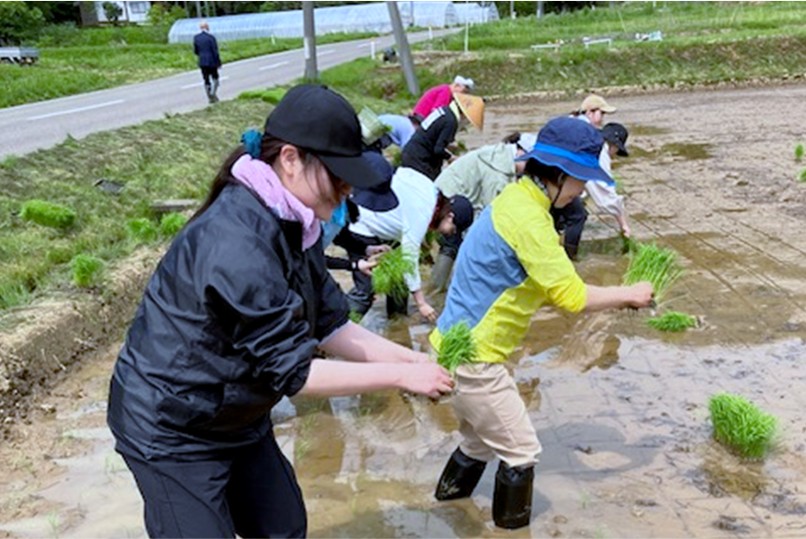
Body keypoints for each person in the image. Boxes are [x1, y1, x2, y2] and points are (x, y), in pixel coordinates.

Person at [106, 84, 454, 539]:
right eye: (337, 173)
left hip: (237, 412)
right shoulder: (236, 242)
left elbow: (330, 326)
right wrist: (401, 377)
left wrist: (410, 358)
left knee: (282, 527)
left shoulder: (295, 220)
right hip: (172, 425)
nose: (346, 188)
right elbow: (296, 374)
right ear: (289, 158)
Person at [429, 116, 653, 530]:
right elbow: (572, 296)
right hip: (478, 358)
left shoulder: (515, 200)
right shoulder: (531, 223)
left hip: (454, 345)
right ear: (560, 175)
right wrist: (629, 294)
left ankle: (443, 512)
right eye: (581, 181)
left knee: (478, 442)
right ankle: (511, 532)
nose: (582, 190)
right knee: (521, 450)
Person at [339, 164, 474, 321]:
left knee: (399, 278)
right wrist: (421, 303)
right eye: (452, 230)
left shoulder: (431, 192)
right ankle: (337, 329)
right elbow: (409, 257)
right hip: (361, 225)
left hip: (374, 213)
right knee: (367, 289)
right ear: (450, 216)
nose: (449, 233)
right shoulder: (424, 212)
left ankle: (397, 326)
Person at [430, 132, 536, 291]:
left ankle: (440, 289)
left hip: (454, 196)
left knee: (459, 243)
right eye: (530, 163)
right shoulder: (498, 171)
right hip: (449, 198)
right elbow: (492, 214)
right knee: (454, 243)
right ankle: (439, 290)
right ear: (521, 153)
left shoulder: (502, 157)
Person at [554, 94, 619, 259]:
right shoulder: (585, 133)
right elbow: (598, 181)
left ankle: (556, 251)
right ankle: (570, 257)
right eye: (601, 114)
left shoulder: (571, 122)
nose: (603, 119)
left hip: (551, 176)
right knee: (578, 216)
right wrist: (621, 217)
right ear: (590, 112)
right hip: (555, 179)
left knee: (557, 216)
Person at [400, 92, 485, 181]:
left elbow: (433, 136)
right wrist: (451, 157)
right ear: (463, 115)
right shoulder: (451, 122)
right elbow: (438, 149)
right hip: (420, 159)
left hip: (411, 152)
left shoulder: (445, 111)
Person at [193, 21, 222, 104]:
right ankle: (213, 94)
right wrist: (218, 62)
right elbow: (215, 51)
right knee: (215, 77)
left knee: (206, 79)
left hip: (202, 61)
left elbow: (196, 50)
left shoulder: (196, 38)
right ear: (207, 27)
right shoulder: (211, 38)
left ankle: (209, 96)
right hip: (211, 61)